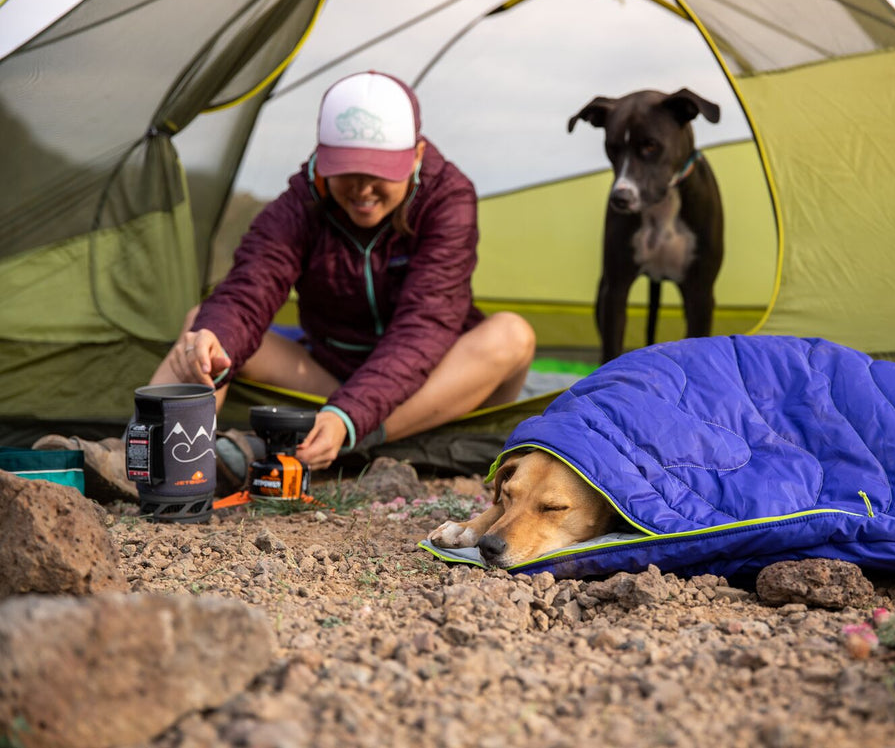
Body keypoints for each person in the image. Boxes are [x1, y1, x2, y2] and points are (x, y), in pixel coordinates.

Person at [40, 70, 535, 497]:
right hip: (333, 379)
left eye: (378, 173)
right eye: (346, 172)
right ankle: (142, 461)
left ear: (416, 155)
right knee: (208, 331)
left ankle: (344, 440)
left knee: (512, 335)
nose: (362, 189)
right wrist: (215, 336)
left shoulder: (449, 199)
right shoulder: (300, 203)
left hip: (431, 388)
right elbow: (249, 289)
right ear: (322, 158)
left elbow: (426, 326)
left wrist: (349, 417)